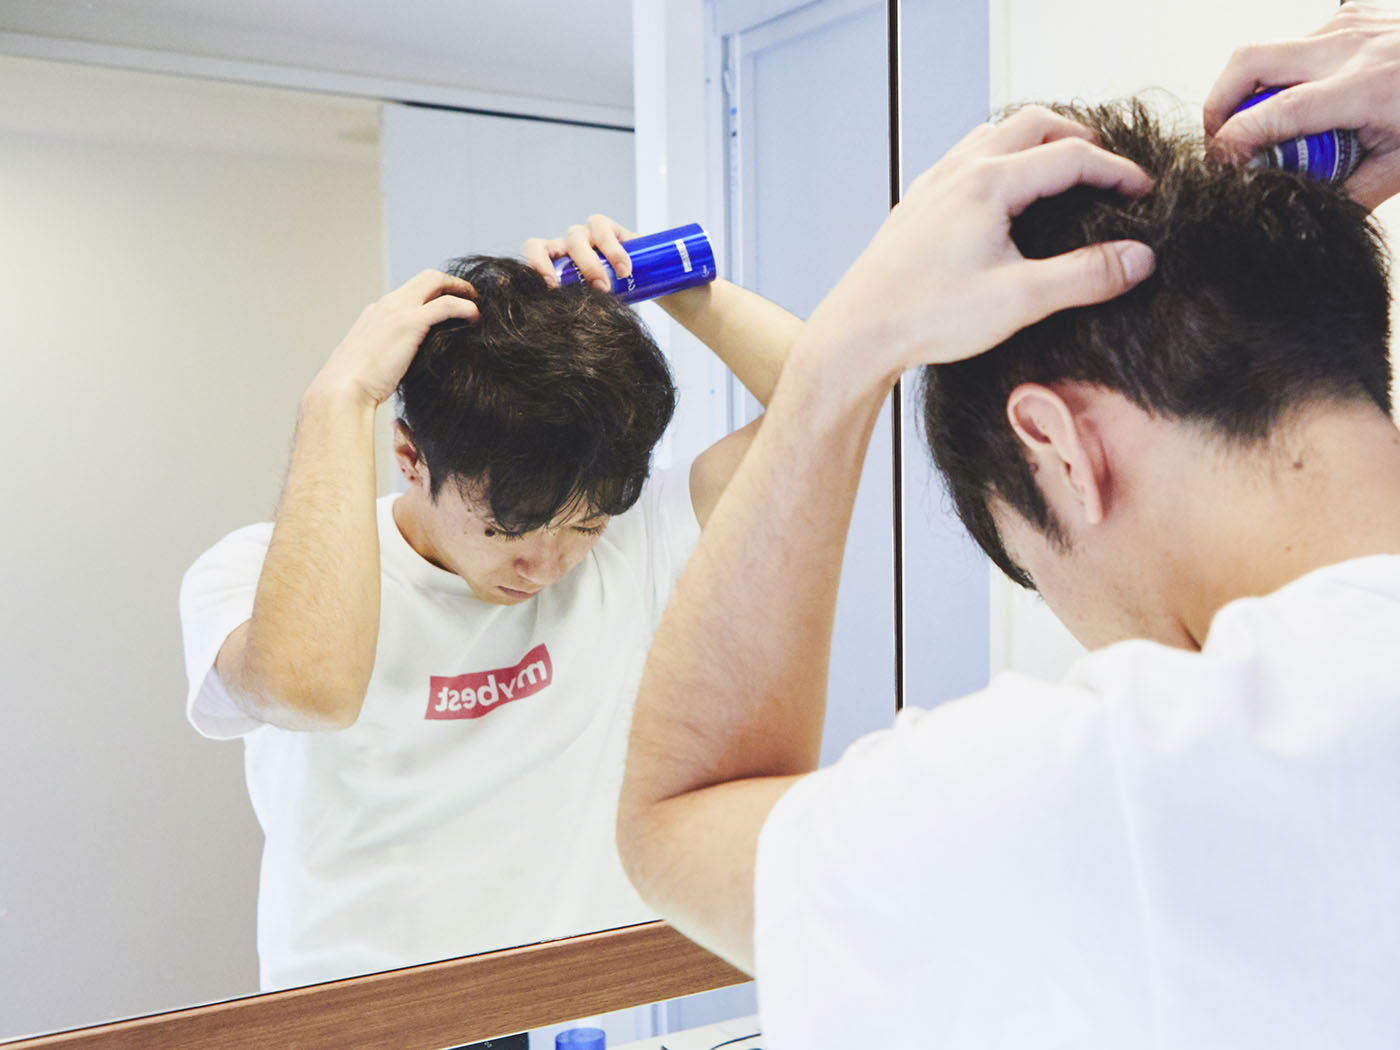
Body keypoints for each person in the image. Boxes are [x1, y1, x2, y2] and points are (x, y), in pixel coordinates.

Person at [615, 64, 1400, 1050]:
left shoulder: (1138, 785)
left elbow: (677, 816)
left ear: (1059, 451)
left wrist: (843, 352)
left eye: (1033, 570)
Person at [178, 215, 802, 992]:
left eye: (584, 526)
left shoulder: (633, 544)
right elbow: (310, 691)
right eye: (507, 530)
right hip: (363, 1027)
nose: (546, 566)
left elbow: (826, 399)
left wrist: (668, 283)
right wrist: (338, 397)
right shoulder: (258, 570)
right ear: (409, 455)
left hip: (579, 1017)